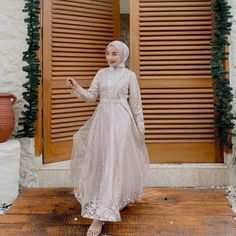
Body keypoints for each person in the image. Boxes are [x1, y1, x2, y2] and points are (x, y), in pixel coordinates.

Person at [66, 40, 149, 236]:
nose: (110, 57)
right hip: (102, 121)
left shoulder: (130, 76)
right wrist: (77, 87)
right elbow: (90, 96)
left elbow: (136, 105)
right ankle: (107, 199)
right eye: (107, 53)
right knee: (103, 161)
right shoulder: (101, 73)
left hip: (122, 122)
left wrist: (140, 128)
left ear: (123, 55)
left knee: (116, 161)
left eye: (114, 54)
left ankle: (100, 216)